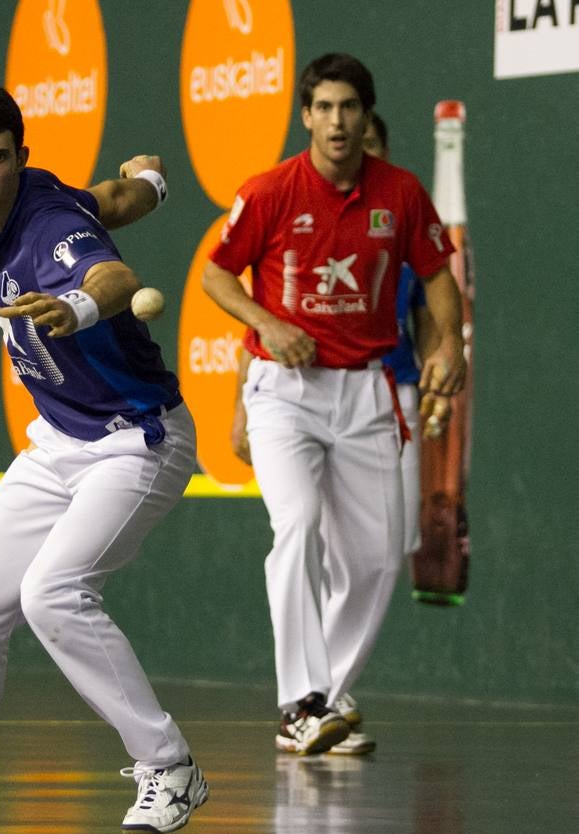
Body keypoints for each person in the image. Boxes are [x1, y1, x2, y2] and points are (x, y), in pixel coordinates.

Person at [0, 85, 208, 834]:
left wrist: (81, 309)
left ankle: (169, 767)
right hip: (59, 440)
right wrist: (151, 183)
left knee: (53, 594)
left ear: (19, 159)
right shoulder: (24, 203)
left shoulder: (51, 227)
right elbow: (108, 198)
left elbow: (113, 275)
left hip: (135, 438)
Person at [203, 54, 465, 757]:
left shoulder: (401, 193)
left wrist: (448, 347)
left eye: (348, 107)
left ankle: (327, 697)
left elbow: (438, 276)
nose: (336, 120)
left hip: (367, 389)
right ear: (305, 116)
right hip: (284, 394)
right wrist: (266, 322)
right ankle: (301, 703)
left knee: (379, 556)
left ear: (364, 115)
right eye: (322, 107)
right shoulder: (269, 192)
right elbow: (216, 273)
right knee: (298, 526)